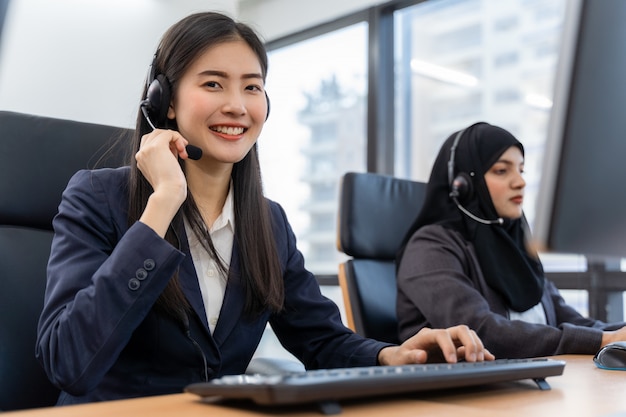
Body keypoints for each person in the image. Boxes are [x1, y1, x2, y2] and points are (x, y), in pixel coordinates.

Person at [35, 12, 492, 405]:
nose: (236, 105)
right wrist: (163, 204)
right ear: (165, 101)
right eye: (213, 83)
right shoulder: (98, 198)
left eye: (252, 87)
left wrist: (395, 356)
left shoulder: (268, 223)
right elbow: (68, 360)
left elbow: (321, 340)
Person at [396, 121, 626, 359]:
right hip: (459, 393)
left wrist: (616, 334)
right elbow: (483, 332)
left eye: (521, 170)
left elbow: (568, 319)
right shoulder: (428, 248)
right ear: (463, 185)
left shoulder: (513, 246)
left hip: (526, 383)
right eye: (502, 171)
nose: (520, 182)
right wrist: (603, 341)